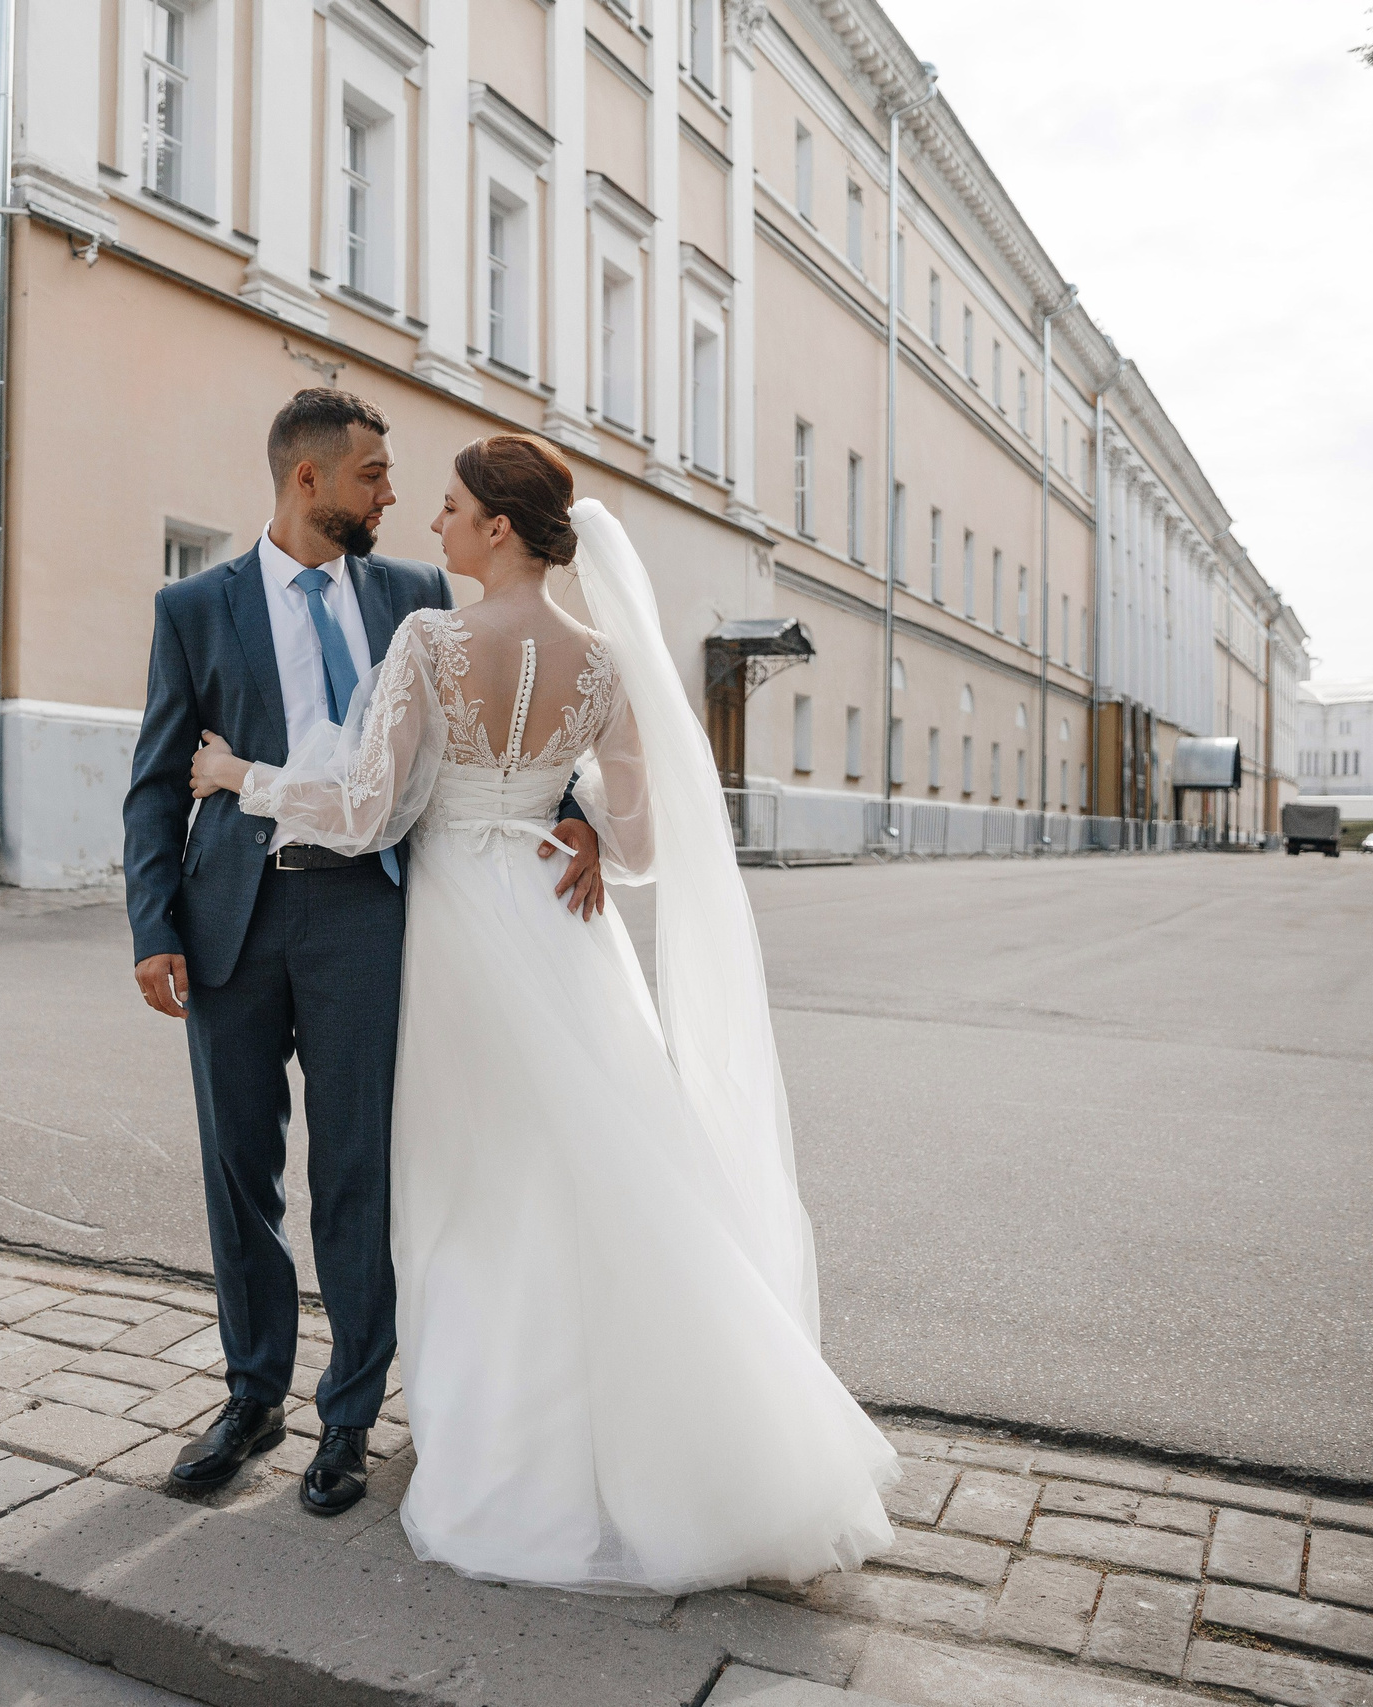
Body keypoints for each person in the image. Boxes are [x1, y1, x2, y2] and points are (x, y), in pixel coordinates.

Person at [187, 434, 896, 1594]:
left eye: (455, 507)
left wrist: (240, 780)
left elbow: (367, 810)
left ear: (499, 530)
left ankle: (504, 1449)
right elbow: (644, 840)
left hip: (461, 935)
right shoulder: (607, 660)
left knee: (471, 1193)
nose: (437, 525)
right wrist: (576, 829)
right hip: (566, 931)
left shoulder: (431, 638)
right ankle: (664, 1437)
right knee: (593, 1177)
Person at [121, 391, 604, 1517]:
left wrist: (574, 805)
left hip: (369, 917)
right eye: (375, 475)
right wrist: (152, 929)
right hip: (230, 920)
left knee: (356, 1175)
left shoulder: (417, 596)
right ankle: (251, 1400)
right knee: (240, 1174)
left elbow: (498, 718)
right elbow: (155, 778)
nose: (393, 494)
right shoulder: (195, 605)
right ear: (310, 481)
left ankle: (347, 1419)